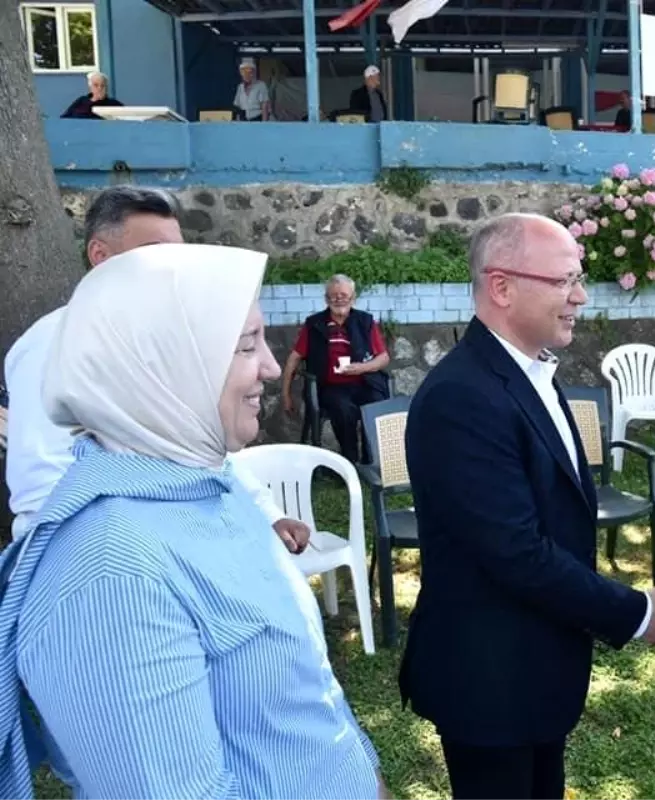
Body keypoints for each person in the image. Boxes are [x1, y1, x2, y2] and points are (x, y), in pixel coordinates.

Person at [0, 243, 389, 798]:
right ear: (162, 366)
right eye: (245, 345)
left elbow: (308, 695)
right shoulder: (112, 575)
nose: (272, 367)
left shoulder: (214, 488)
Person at [402, 213, 655, 799]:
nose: (580, 296)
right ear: (502, 287)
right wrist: (637, 610)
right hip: (490, 684)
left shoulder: (526, 372)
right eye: (564, 281)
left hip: (533, 673)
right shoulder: (462, 396)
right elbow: (516, 552)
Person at [4, 186, 310, 554]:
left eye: (177, 254)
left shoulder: (167, 340)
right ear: (100, 256)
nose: (172, 268)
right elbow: (41, 483)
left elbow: (203, 446)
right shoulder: (53, 343)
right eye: (155, 254)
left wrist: (266, 513)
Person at [281, 274, 391, 465]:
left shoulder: (364, 322)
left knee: (375, 402)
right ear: (326, 298)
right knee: (343, 408)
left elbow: (383, 358)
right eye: (334, 295)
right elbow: (294, 358)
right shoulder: (314, 324)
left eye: (344, 294)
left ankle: (371, 461)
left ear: (353, 298)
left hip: (363, 382)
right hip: (330, 387)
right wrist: (286, 395)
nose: (339, 299)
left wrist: (362, 368)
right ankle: (350, 462)